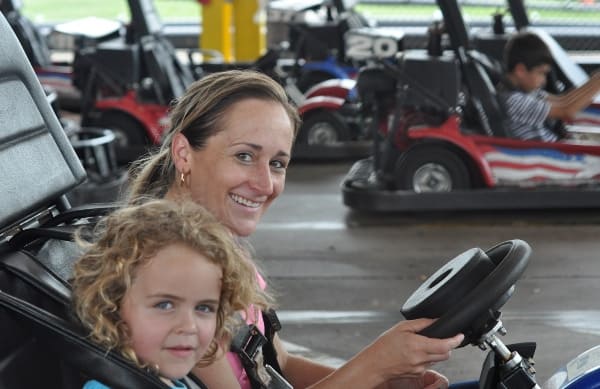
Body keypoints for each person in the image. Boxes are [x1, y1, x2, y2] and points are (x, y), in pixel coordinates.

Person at [126, 69, 465, 389]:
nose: (264, 183)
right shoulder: (171, 269)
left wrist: (381, 381)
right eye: (244, 156)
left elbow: (274, 363)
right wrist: (375, 365)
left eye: (277, 164)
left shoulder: (210, 242)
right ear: (184, 153)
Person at [71, 199, 270, 389]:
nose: (189, 326)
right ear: (113, 306)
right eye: (165, 305)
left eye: (204, 308)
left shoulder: (166, 379)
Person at [498, 32, 600, 142]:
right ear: (521, 70)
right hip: (546, 154)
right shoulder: (514, 101)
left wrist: (592, 83)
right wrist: (596, 84)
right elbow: (566, 111)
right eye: (541, 73)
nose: (544, 80)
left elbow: (563, 100)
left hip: (555, 145)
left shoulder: (528, 92)